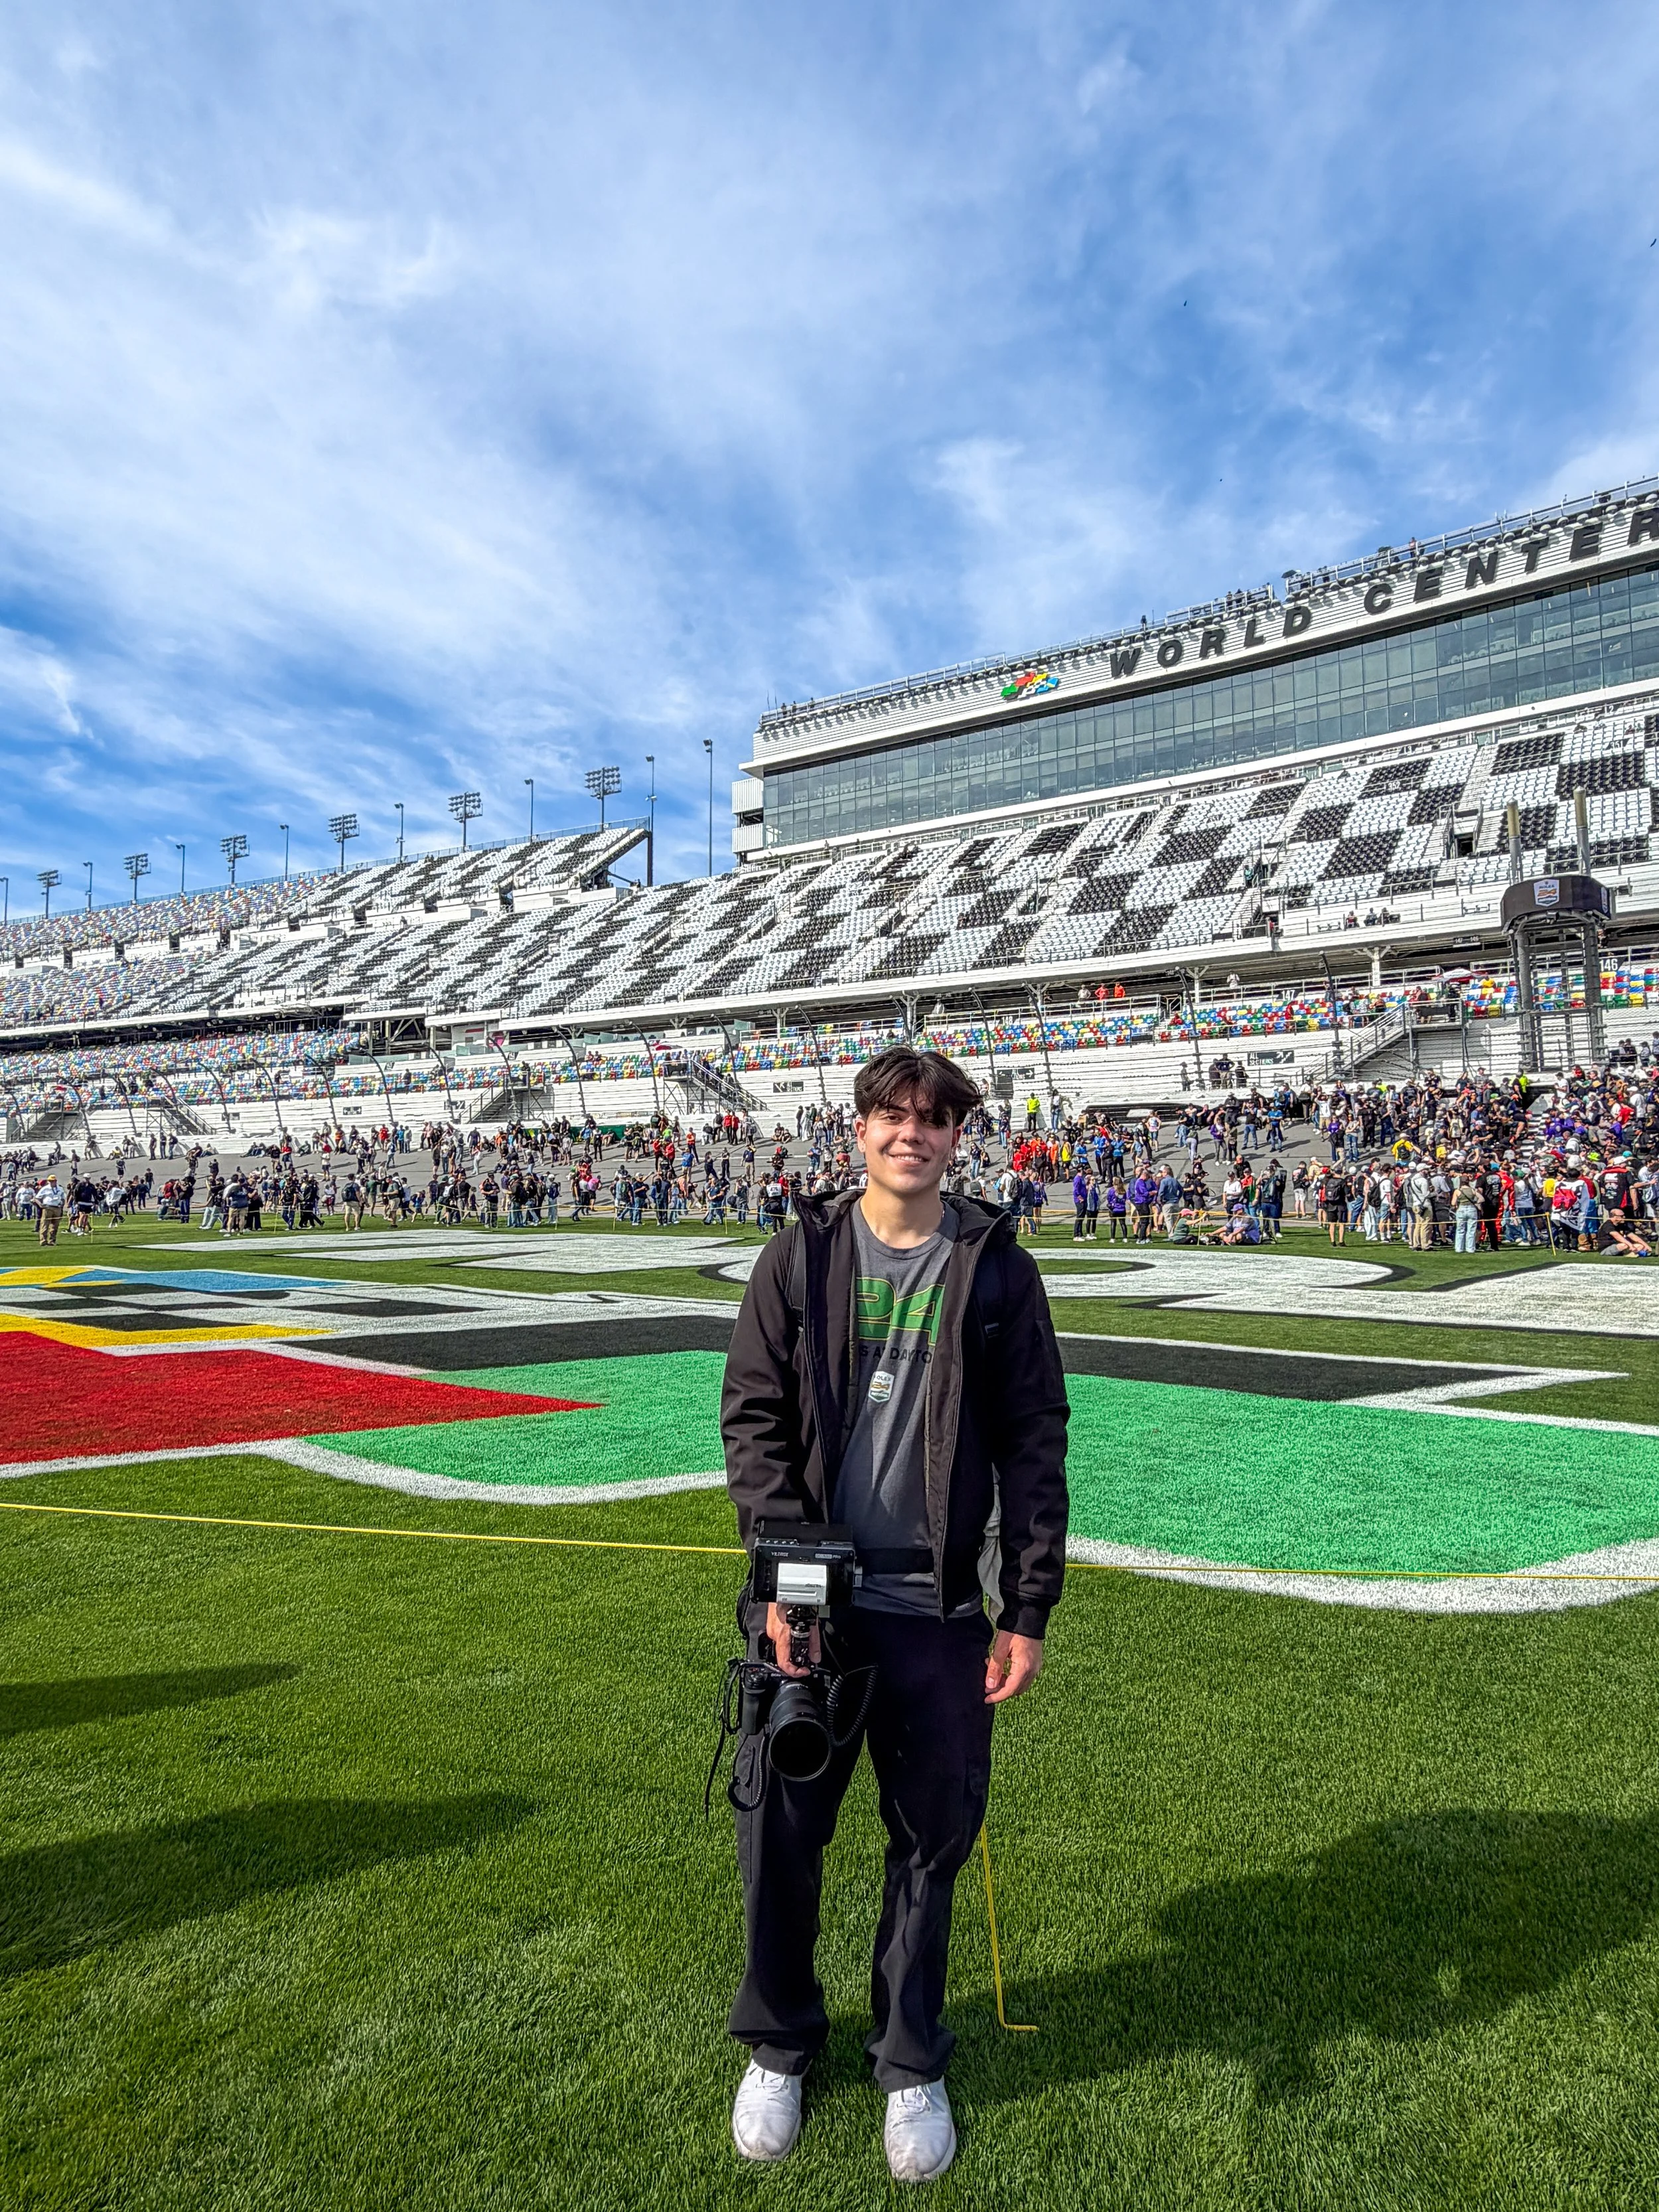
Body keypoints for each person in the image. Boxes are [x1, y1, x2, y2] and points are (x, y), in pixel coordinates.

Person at [720, 1047, 1068, 2183]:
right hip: (814, 1609)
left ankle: (910, 2061)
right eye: (889, 1115)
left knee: (930, 1846)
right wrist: (781, 1575)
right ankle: (779, 2043)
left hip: (938, 1609)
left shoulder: (998, 1269)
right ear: (857, 1129)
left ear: (958, 1137)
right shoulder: (801, 1252)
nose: (908, 1134)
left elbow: (1034, 1441)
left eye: (931, 1119)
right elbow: (753, 1420)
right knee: (780, 1837)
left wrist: (1028, 1603)